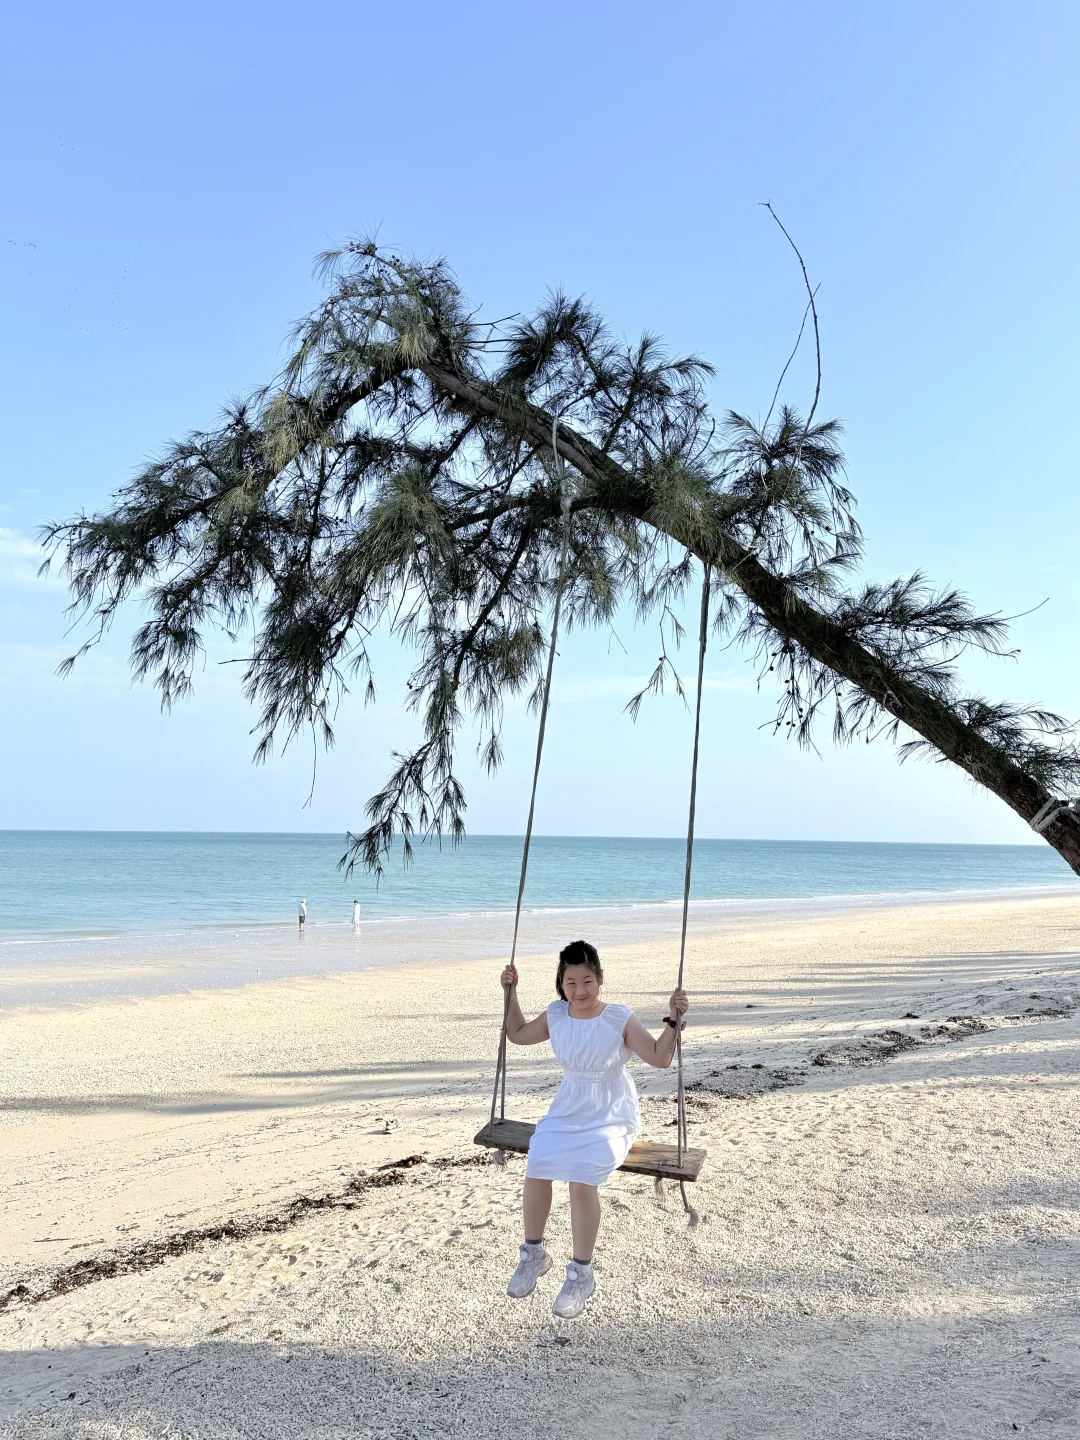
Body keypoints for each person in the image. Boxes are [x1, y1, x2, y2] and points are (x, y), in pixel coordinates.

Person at [499, 938, 688, 1319]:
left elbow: (659, 1058)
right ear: (561, 982)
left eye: (587, 981)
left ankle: (581, 1273)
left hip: (611, 1112)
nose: (580, 991)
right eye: (571, 983)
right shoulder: (557, 1015)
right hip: (568, 1107)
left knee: (581, 1177)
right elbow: (516, 1033)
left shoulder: (617, 1017)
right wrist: (510, 991)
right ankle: (534, 1253)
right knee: (538, 1161)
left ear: (600, 977)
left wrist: (673, 1019)